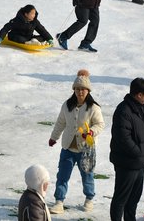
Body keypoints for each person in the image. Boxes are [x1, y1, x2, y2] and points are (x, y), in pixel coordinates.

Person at [48, 69, 105, 214]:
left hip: (86, 149)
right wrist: (54, 137)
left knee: (87, 175)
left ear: (88, 91)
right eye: (77, 89)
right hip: (67, 148)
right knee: (62, 176)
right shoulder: (67, 105)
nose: (80, 92)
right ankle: (59, 201)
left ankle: (89, 199)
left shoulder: (93, 107)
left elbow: (100, 124)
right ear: (74, 90)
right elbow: (60, 123)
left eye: (83, 89)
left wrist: (91, 132)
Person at [109, 78, 144, 221]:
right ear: (139, 94)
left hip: (139, 163)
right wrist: (139, 153)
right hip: (127, 163)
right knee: (121, 198)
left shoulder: (139, 108)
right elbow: (123, 138)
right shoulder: (124, 110)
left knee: (133, 199)